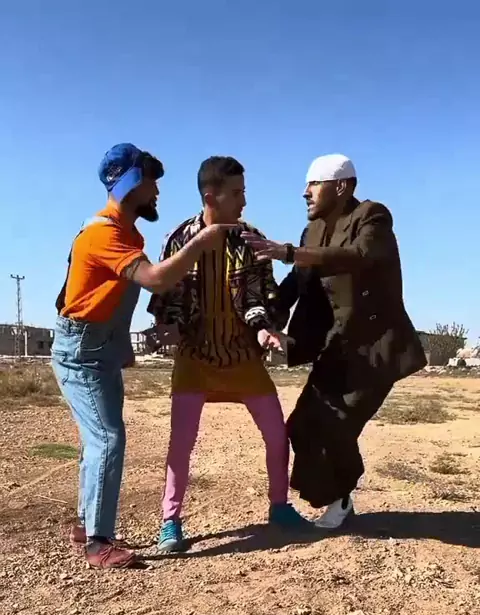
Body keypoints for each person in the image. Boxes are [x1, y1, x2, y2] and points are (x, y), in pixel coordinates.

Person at [52, 143, 232, 569]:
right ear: (132, 184)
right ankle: (97, 544)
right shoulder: (104, 234)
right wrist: (201, 243)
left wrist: (123, 344)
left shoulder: (126, 233)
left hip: (99, 347)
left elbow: (106, 297)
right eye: (151, 182)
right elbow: (153, 279)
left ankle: (85, 524)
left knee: (99, 438)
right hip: (83, 352)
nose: (157, 191)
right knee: (107, 439)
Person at [242, 154, 426, 530]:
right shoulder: (311, 232)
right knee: (301, 425)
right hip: (336, 348)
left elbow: (358, 256)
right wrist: (263, 320)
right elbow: (296, 284)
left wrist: (289, 252)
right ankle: (338, 496)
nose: (305, 192)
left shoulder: (372, 216)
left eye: (314, 184)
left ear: (340, 186)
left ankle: (340, 496)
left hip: (375, 350)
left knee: (336, 424)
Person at [147, 155, 311, 553]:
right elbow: (167, 293)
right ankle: (170, 521)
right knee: (181, 444)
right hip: (195, 358)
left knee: (277, 434)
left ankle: (280, 507)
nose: (244, 201)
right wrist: (167, 326)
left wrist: (264, 329)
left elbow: (259, 296)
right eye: (237, 193)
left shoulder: (250, 238)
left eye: (244, 192)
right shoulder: (178, 239)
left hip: (242, 358)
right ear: (211, 197)